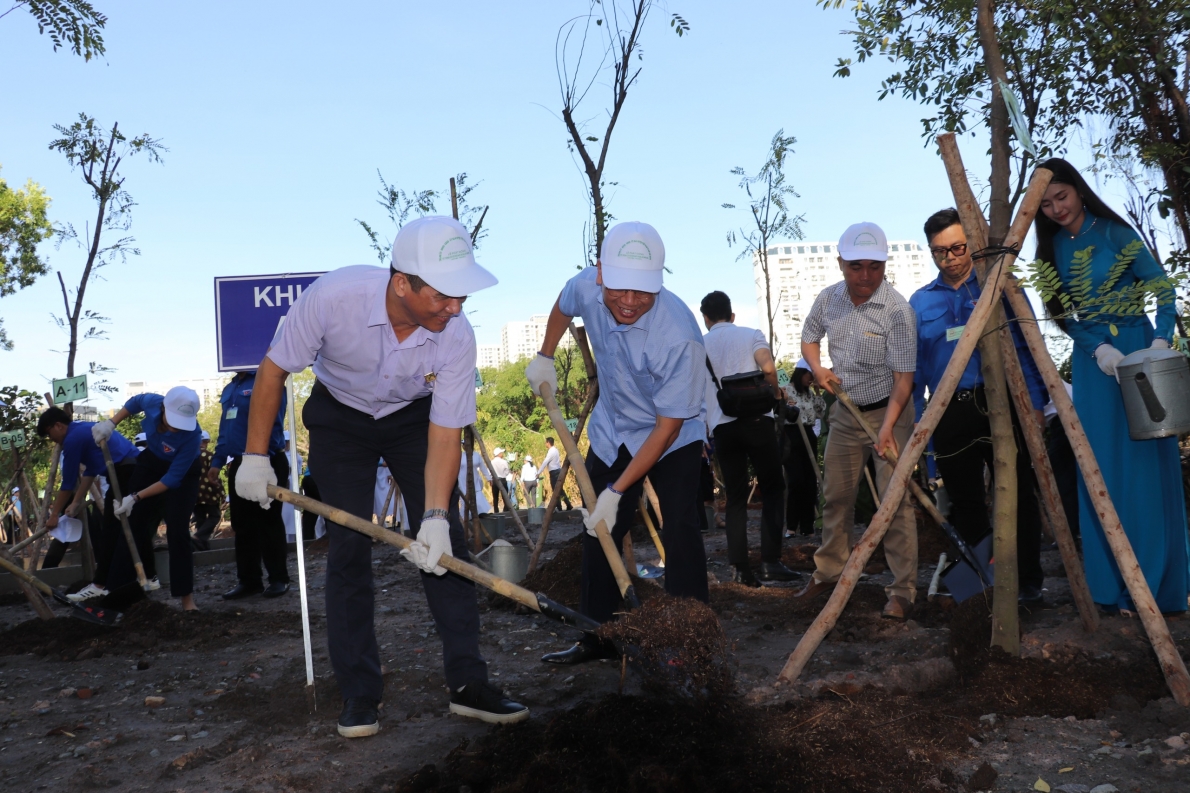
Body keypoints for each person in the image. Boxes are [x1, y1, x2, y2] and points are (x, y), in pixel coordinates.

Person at [236, 215, 527, 737]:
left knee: (447, 548)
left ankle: (468, 684)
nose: (455, 307)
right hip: (341, 419)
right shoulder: (333, 298)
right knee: (347, 547)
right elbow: (274, 371)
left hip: (413, 421)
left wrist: (434, 515)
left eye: (462, 296)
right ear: (402, 284)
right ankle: (359, 693)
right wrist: (255, 456)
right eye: (444, 295)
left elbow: (443, 430)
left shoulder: (455, 335)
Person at [527, 220, 709, 664]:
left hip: (673, 435)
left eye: (642, 293)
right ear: (602, 273)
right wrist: (545, 355)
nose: (629, 303)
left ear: (659, 284)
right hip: (614, 427)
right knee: (598, 528)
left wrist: (617, 489)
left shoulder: (679, 335)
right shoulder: (586, 285)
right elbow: (562, 304)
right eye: (620, 290)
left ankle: (688, 639)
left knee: (681, 528)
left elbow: (666, 428)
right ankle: (599, 636)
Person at [1035, 158, 1189, 614]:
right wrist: (1096, 347)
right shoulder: (1051, 251)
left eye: (1061, 196)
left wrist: (1160, 338)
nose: (1057, 208)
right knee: (1100, 466)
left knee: (1145, 463)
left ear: (1079, 190)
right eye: (1045, 204)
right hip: (1094, 364)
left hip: (1141, 353)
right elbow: (1063, 314)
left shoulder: (1116, 233)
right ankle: (1113, 588)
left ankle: (1159, 584)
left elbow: (1162, 287)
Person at [912, 208, 1050, 603]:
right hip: (949, 412)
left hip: (1000, 404)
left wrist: (1035, 403)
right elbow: (917, 370)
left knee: (1018, 493)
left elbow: (1025, 348)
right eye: (939, 252)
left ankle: (1026, 584)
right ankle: (979, 588)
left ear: (971, 243)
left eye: (958, 247)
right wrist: (922, 426)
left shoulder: (999, 286)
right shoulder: (919, 303)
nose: (951, 258)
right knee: (965, 501)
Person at [795, 222, 920, 620]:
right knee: (836, 496)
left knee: (894, 502)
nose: (865, 276)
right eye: (855, 267)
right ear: (840, 264)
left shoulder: (898, 311)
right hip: (847, 413)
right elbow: (809, 337)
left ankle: (903, 591)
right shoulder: (828, 299)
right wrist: (816, 368)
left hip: (890, 411)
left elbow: (904, 379)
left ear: (884, 266)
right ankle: (829, 572)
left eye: (874, 267)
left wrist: (887, 427)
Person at [699, 290, 798, 586]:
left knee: (736, 496)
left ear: (705, 319)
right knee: (772, 488)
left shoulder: (699, 346)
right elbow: (768, 367)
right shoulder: (750, 333)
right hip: (758, 422)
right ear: (732, 315)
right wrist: (776, 391)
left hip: (723, 427)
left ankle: (741, 569)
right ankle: (770, 561)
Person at [92, 386, 203, 611]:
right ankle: (118, 595)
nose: (175, 428)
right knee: (130, 522)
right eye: (173, 421)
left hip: (183, 473)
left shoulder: (192, 437)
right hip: (151, 461)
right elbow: (134, 402)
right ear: (164, 410)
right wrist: (111, 424)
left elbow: (171, 480)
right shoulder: (153, 402)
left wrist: (135, 496)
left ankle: (187, 600)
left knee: (177, 530)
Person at [210, 369, 290, 600]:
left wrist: (261, 456)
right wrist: (217, 461)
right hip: (238, 463)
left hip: (268, 460)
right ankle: (249, 581)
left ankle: (278, 579)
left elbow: (274, 418)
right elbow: (226, 428)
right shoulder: (230, 388)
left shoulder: (269, 377)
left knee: (269, 520)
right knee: (242, 524)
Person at [35, 406, 140, 573]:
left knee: (113, 528)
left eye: (49, 433)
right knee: (115, 527)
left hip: (126, 470)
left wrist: (54, 515)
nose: (51, 439)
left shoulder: (72, 439)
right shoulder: (81, 429)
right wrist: (76, 502)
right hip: (126, 468)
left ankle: (108, 580)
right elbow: (90, 470)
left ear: (58, 426)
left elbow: (68, 483)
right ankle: (115, 576)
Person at [783, 363, 825, 537]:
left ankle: (807, 527)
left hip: (808, 433)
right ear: (801, 373)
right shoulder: (786, 391)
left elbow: (821, 413)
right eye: (809, 375)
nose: (811, 379)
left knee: (809, 481)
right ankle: (792, 526)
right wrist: (785, 402)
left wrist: (816, 392)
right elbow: (779, 412)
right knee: (795, 481)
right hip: (791, 435)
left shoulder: (809, 394)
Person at [192, 430, 224, 552]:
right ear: (205, 442)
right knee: (214, 516)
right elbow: (215, 476)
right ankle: (197, 537)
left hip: (194, 493)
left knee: (200, 519)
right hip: (209, 493)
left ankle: (202, 547)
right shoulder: (210, 456)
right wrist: (221, 493)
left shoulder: (189, 455)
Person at [457, 442, 490, 515]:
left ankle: (479, 516)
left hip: (475, 482)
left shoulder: (476, 455)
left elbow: (483, 467)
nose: (464, 446)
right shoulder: (460, 456)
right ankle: (466, 519)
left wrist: (489, 478)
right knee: (465, 501)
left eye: (466, 444)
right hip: (462, 482)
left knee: (478, 500)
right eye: (463, 445)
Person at [542, 437, 572, 510]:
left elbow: (545, 462)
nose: (545, 444)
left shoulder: (551, 451)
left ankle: (559, 506)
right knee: (560, 490)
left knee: (556, 491)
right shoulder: (556, 450)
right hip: (558, 470)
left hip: (554, 472)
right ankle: (568, 504)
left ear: (548, 443)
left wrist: (538, 472)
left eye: (546, 442)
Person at [489, 447, 513, 512]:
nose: (502, 454)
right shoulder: (504, 461)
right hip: (502, 480)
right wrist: (504, 474)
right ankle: (506, 510)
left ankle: (496, 511)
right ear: (499, 454)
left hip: (495, 480)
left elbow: (489, 471)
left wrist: (490, 480)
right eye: (501, 453)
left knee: (495, 497)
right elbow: (507, 471)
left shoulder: (492, 462)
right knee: (505, 496)